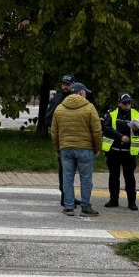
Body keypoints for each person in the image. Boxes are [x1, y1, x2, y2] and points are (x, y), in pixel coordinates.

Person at [50, 81, 102, 218]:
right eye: (85, 92)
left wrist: (58, 148)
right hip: (85, 148)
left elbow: (54, 132)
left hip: (66, 148)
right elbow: (97, 130)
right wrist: (98, 147)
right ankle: (85, 207)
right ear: (81, 93)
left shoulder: (60, 108)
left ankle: (68, 207)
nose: (86, 95)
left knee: (67, 178)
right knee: (86, 179)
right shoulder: (90, 108)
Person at [102, 93, 139, 211]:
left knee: (129, 177)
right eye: (124, 103)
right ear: (119, 103)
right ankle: (113, 199)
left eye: (129, 103)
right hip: (114, 151)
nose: (127, 105)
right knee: (113, 177)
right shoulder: (112, 114)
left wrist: (138, 129)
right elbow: (106, 129)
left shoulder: (136, 114)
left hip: (128, 152)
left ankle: (132, 202)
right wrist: (120, 136)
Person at [45, 75, 75, 209]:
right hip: (63, 141)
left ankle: (70, 196)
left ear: (73, 85)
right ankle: (65, 197)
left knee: (73, 171)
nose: (65, 86)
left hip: (76, 140)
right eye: (64, 84)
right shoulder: (57, 100)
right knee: (64, 170)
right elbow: (48, 119)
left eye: (68, 84)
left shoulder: (77, 99)